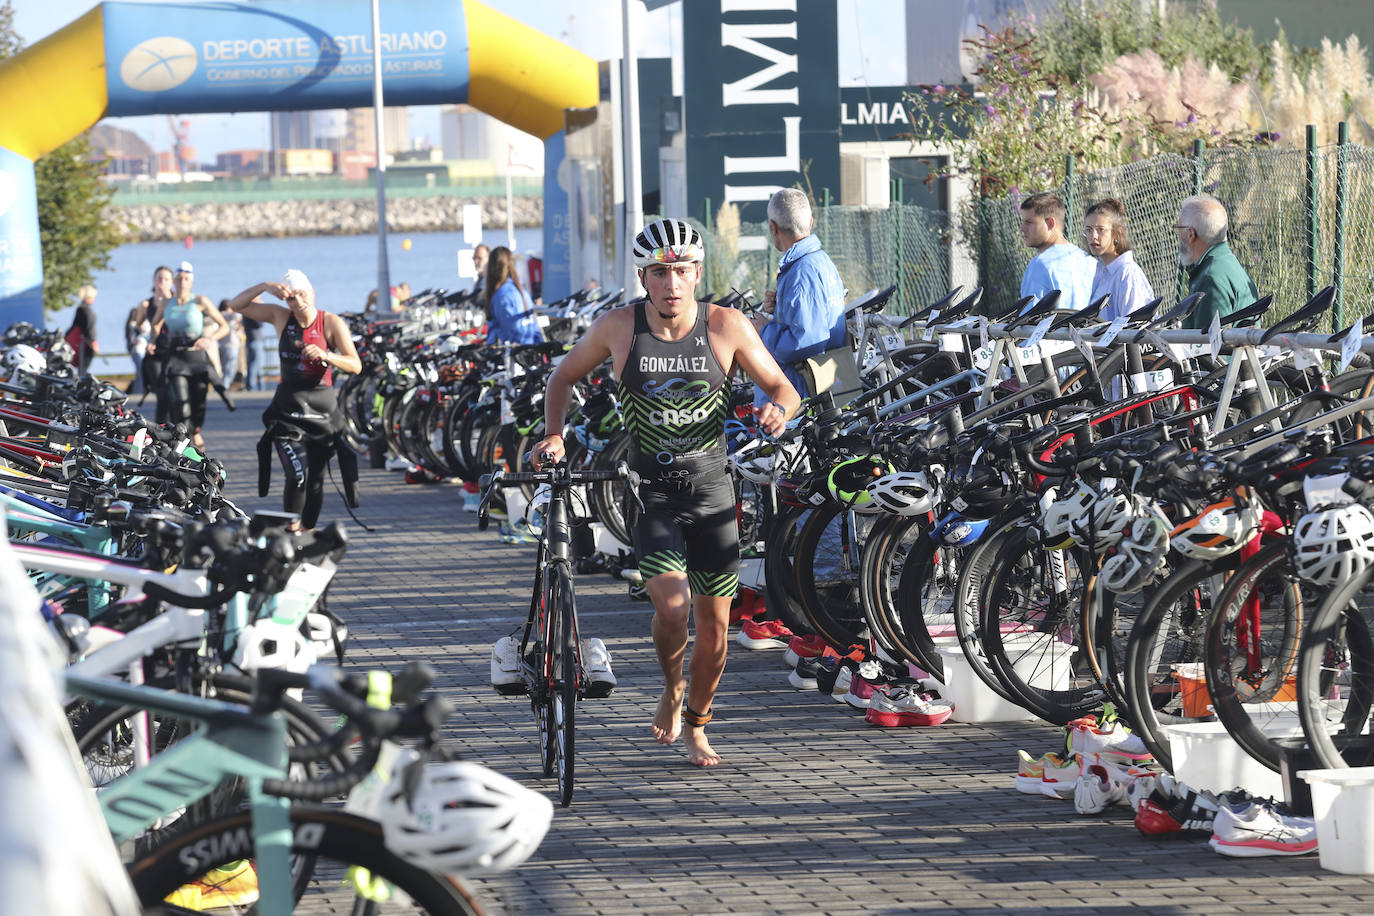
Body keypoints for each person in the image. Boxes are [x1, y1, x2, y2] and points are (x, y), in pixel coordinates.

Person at [529, 218, 800, 767]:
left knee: (716, 631)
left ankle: (698, 721)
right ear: (643, 277)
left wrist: (779, 409)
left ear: (697, 273)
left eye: (680, 271)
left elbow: (783, 387)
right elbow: (562, 379)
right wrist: (554, 434)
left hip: (713, 490)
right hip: (652, 491)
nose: (671, 283)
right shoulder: (618, 328)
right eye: (659, 272)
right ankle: (671, 686)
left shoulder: (727, 326)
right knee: (672, 609)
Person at [222, 269, 363, 530]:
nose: (298, 302)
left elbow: (356, 365)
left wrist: (327, 355)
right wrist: (265, 286)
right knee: (297, 475)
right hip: (288, 412)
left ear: (312, 293)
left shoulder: (330, 322)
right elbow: (235, 305)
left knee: (316, 480)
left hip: (323, 413)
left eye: (301, 295)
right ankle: (292, 529)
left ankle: (306, 532)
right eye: (291, 298)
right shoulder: (280, 316)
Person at [752, 188, 847, 410]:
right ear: (810, 222)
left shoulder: (801, 272)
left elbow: (805, 340)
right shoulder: (820, 261)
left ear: (772, 227)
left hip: (801, 397)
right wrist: (781, 307)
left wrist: (764, 329)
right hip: (831, 382)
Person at [147, 261, 232, 450]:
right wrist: (152, 340)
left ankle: (196, 430)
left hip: (197, 358)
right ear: (174, 282)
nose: (182, 282)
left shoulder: (201, 301)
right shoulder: (166, 303)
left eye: (186, 279)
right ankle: (184, 438)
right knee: (181, 403)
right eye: (179, 279)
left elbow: (224, 326)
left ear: (191, 282)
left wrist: (209, 339)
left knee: (199, 402)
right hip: (176, 358)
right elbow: (155, 325)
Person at [1177, 194, 1259, 331]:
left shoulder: (1210, 278)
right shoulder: (1228, 265)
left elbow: (1206, 348)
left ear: (1190, 234)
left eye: (1178, 229)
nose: (1178, 236)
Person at [1018, 191, 1097, 312]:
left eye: (1029, 222)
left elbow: (1028, 323)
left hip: (1052, 330)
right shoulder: (1091, 263)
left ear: (1050, 223)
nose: (1022, 229)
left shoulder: (1039, 264)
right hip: (1088, 331)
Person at [1084, 198, 1155, 321]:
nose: (1093, 236)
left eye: (1100, 230)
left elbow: (1133, 330)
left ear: (1117, 233)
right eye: (1089, 230)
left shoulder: (1128, 274)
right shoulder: (1100, 270)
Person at [483, 246, 544, 345]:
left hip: (514, 354)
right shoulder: (521, 290)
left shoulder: (502, 296)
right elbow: (533, 327)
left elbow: (513, 333)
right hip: (530, 348)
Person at [126, 266, 172, 394]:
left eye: (166, 279)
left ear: (172, 282)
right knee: (160, 389)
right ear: (154, 281)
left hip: (173, 349)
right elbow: (137, 325)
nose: (162, 282)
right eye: (159, 278)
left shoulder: (177, 302)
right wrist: (137, 337)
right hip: (155, 349)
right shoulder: (146, 305)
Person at [66, 285, 99, 374]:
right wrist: (93, 342)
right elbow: (89, 327)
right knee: (83, 368)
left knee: (82, 368)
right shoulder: (86, 310)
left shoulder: (81, 308)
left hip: (82, 342)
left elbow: (74, 326)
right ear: (89, 297)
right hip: (85, 343)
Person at [218, 303, 243, 390]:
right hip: (230, 345)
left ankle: (224, 385)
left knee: (226, 366)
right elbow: (237, 315)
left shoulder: (222, 318)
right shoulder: (226, 317)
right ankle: (225, 386)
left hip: (225, 344)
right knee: (230, 367)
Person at [243, 313, 266, 391]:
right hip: (255, 340)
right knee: (254, 365)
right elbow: (260, 324)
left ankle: (260, 386)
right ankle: (251, 386)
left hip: (251, 340)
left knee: (256, 365)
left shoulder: (245, 312)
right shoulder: (251, 313)